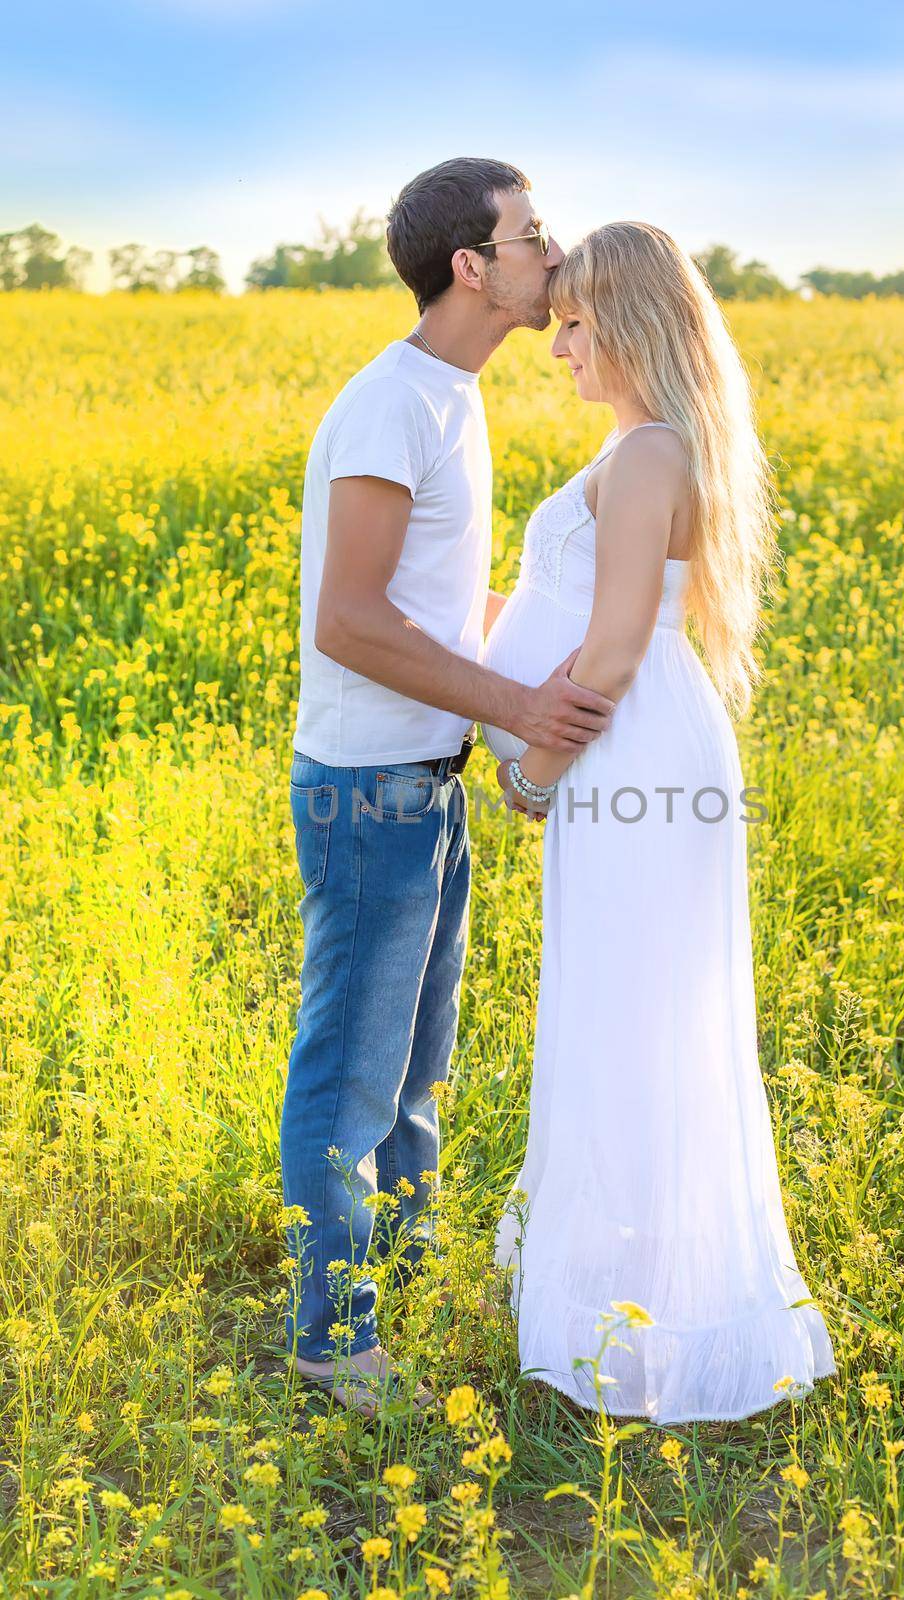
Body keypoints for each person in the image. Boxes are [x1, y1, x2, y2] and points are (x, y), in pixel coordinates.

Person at [482, 222, 837, 1423]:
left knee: (632, 1014)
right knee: (626, 1009)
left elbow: (618, 641)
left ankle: (651, 1317)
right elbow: (566, 604)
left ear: (631, 323)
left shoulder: (644, 453)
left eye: (577, 325)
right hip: (636, 752)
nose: (557, 345)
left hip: (628, 751)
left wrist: (528, 768)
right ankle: (627, 1286)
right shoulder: (643, 443)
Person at [281, 157, 615, 1417]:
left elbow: (433, 612)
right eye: (533, 235)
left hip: (427, 781)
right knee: (352, 1076)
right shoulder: (392, 407)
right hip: (370, 793)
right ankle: (334, 1339)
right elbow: (352, 624)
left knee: (418, 1066)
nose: (553, 253)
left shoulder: (455, 397)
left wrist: (561, 643)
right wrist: (524, 708)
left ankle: (401, 1279)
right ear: (471, 266)